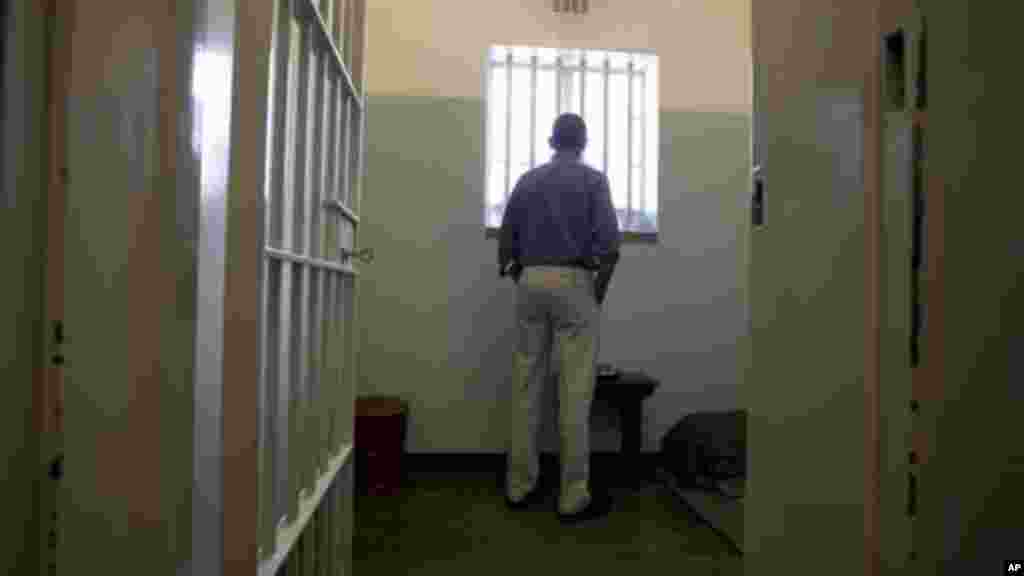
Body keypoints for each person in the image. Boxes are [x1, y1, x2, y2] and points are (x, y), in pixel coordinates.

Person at [498, 113, 621, 523]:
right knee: (575, 390)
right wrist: (596, 292)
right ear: (583, 142)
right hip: (575, 280)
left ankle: (519, 486)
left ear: (552, 141)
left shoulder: (529, 180)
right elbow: (611, 247)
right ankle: (572, 495)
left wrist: (522, 276)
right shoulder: (593, 180)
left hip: (531, 279)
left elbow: (506, 242)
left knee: (525, 385)